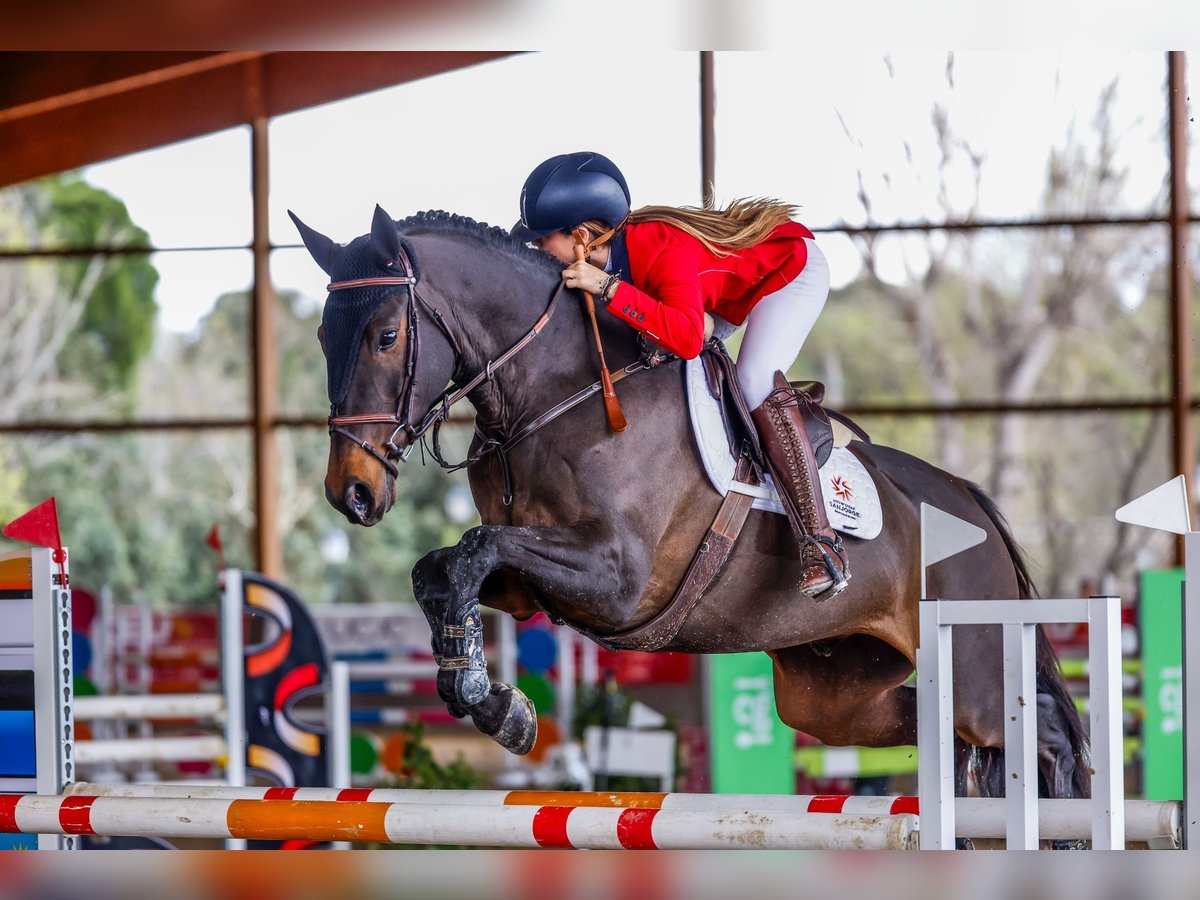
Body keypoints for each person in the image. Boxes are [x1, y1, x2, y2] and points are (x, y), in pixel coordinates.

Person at [512, 150, 848, 599]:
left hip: (788, 272)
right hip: (720, 296)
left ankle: (820, 542)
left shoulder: (660, 248)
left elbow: (688, 340)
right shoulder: (607, 256)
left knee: (752, 381)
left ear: (581, 236)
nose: (537, 250)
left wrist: (609, 289)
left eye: (542, 240)